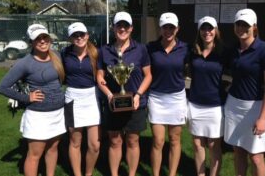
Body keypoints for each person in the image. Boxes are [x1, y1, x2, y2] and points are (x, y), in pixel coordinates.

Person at [0, 24, 66, 176]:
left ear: (49, 39)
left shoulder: (57, 55)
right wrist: (26, 98)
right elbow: (2, 87)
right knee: (35, 154)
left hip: (58, 113)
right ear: (31, 42)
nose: (42, 41)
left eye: (44, 37)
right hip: (38, 116)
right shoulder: (25, 63)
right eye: (37, 39)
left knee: (53, 149)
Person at [224, 8, 265, 176]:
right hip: (234, 107)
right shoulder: (232, 50)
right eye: (238, 24)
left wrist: (262, 118)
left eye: (245, 25)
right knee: (238, 151)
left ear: (254, 27)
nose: (241, 28)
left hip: (256, 109)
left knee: (256, 157)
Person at [96, 11, 152, 176]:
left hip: (135, 104)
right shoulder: (104, 50)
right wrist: (108, 94)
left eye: (125, 26)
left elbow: (148, 75)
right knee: (114, 140)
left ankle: (131, 174)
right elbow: (99, 75)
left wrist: (137, 96)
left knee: (133, 141)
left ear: (131, 28)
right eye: (119, 25)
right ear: (113, 28)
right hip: (114, 103)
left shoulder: (141, 49)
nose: (122, 29)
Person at [147, 12, 189, 176]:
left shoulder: (185, 48)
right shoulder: (151, 48)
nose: (168, 30)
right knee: (158, 141)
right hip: (156, 98)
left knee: (174, 139)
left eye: (172, 27)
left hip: (177, 98)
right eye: (165, 27)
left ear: (177, 28)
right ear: (160, 29)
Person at [187, 16, 225, 176]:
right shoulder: (193, 52)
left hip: (215, 105)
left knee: (213, 145)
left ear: (215, 31)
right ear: (199, 31)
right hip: (195, 104)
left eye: (210, 28)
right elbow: (189, 73)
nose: (207, 32)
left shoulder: (223, 52)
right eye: (203, 28)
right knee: (197, 143)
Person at [61, 22, 100, 176]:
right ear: (70, 38)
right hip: (73, 99)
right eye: (75, 35)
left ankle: (88, 173)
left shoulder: (96, 53)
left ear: (87, 35)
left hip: (92, 99)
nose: (79, 38)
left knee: (94, 145)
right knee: (75, 142)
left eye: (81, 34)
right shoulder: (64, 53)